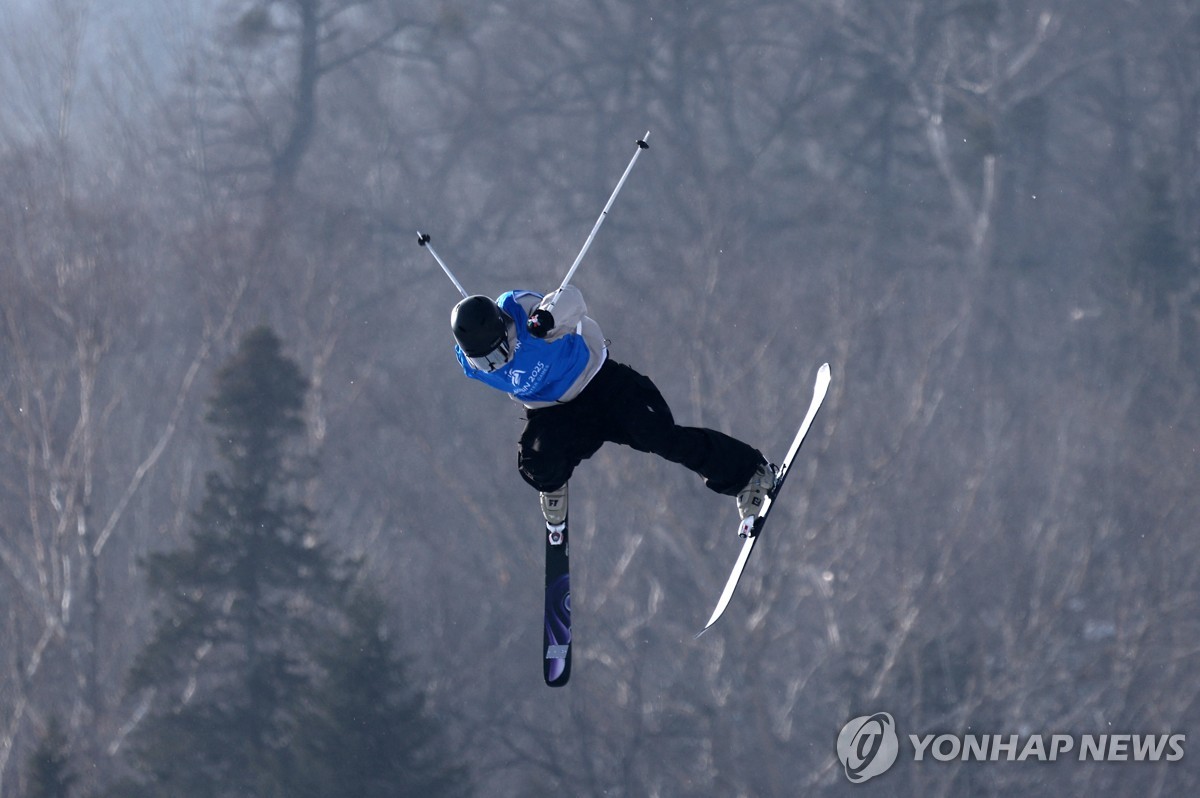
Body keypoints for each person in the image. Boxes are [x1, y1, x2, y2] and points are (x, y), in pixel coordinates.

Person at [451, 286, 775, 529]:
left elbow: (571, 299)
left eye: (497, 353)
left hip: (602, 384)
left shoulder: (523, 312)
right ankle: (553, 484)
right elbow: (483, 360)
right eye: (485, 361)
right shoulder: (474, 364)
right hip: (554, 411)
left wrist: (547, 318)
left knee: (661, 436)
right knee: (537, 462)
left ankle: (750, 473)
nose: (496, 365)